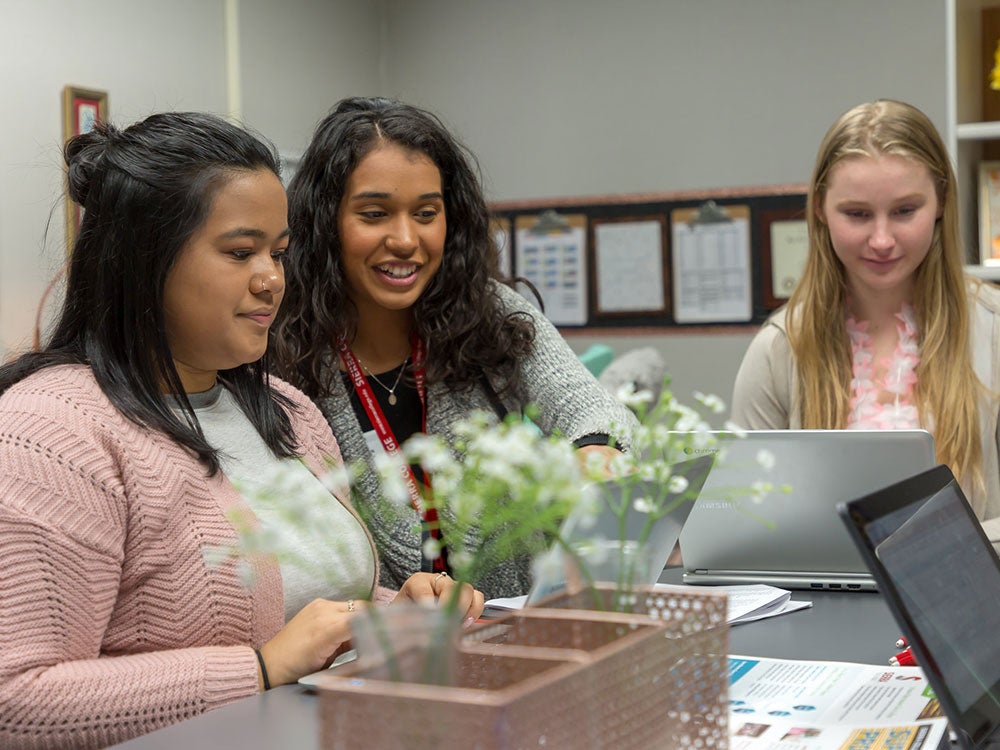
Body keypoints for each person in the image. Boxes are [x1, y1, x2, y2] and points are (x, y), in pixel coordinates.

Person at [0, 111, 483, 749]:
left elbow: (314, 614)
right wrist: (260, 668)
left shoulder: (286, 411)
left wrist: (401, 610)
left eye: (279, 254)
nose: (272, 279)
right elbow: (16, 701)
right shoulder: (51, 433)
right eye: (239, 253)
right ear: (145, 261)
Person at [272, 97, 637, 599]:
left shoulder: (488, 313)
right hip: (389, 651)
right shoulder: (283, 354)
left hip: (521, 623)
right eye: (374, 214)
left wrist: (595, 450)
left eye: (426, 213)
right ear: (325, 221)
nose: (405, 239)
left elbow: (591, 407)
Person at [730, 99, 1000, 544]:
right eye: (856, 214)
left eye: (904, 211)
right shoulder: (780, 349)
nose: (881, 240)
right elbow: (745, 524)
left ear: (941, 203)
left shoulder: (991, 332)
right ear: (819, 209)